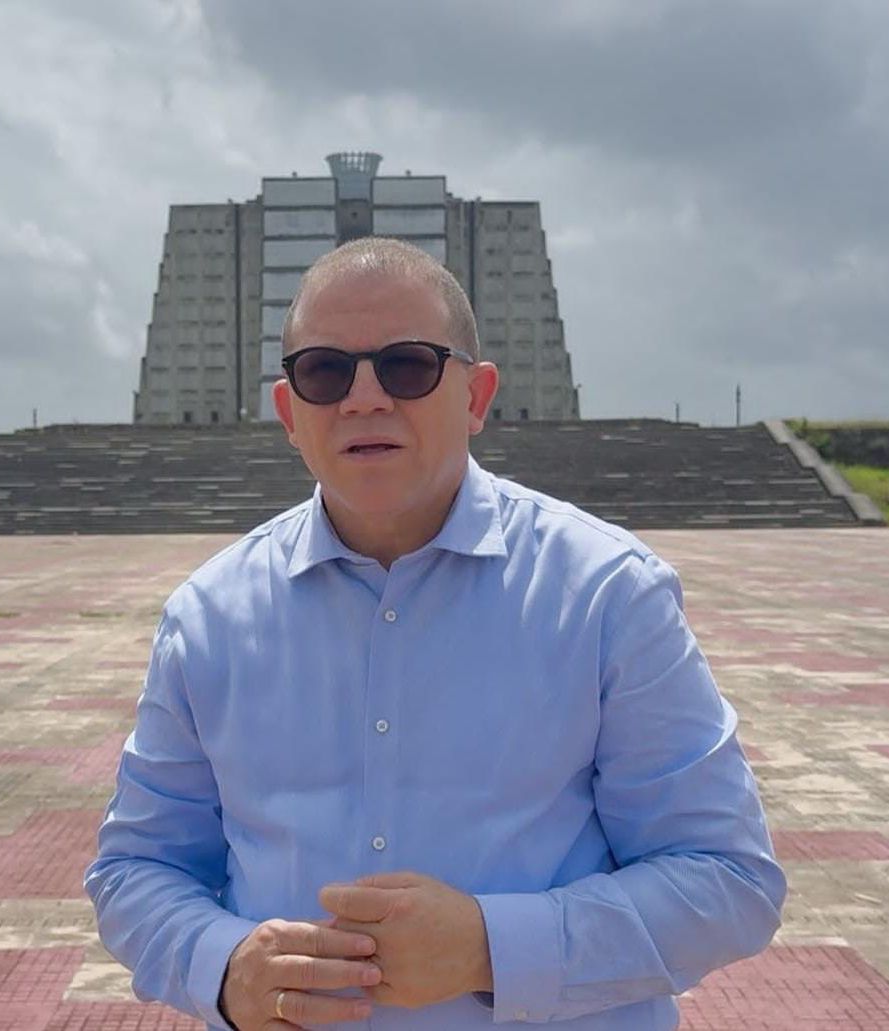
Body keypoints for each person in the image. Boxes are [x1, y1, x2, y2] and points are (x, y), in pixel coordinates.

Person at [85, 237, 786, 1030]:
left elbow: (726, 878)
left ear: (476, 395)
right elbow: (136, 868)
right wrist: (222, 966)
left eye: (406, 365)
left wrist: (492, 946)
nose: (363, 399)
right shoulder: (209, 616)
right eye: (325, 371)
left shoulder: (605, 594)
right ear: (289, 412)